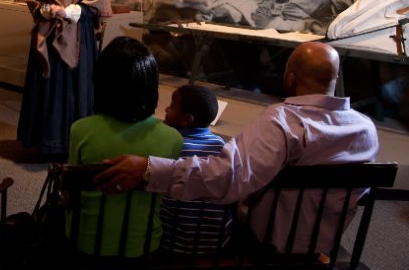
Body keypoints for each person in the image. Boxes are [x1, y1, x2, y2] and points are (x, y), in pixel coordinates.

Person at [95, 42, 379, 254]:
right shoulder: (365, 130)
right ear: (335, 78)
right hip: (324, 247)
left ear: (291, 78)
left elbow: (226, 177)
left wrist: (148, 169)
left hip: (262, 247)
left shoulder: (283, 123)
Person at [68, 36, 182, 257]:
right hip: (144, 244)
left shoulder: (81, 130)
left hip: (87, 242)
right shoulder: (173, 139)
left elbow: (72, 189)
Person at [17, 0, 112, 159]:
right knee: (47, 88)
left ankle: (73, 142)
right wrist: (49, 10)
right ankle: (46, 141)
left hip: (77, 38)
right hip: (47, 36)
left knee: (73, 90)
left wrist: (69, 12)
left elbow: (97, 6)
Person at [160, 85, 231, 254]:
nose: (165, 109)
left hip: (175, 242)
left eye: (171, 106)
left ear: (186, 120)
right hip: (216, 241)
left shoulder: (171, 145)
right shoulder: (221, 145)